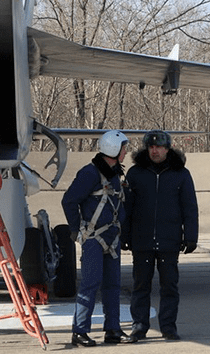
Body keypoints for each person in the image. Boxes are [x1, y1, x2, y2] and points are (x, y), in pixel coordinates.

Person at [61, 131, 137, 347]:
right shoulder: (89, 174)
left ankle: (112, 329)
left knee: (113, 285)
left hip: (112, 238)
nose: (125, 152)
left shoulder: (115, 174)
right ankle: (79, 331)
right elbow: (69, 201)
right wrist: (76, 229)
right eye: (123, 148)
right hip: (94, 238)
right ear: (114, 149)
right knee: (90, 284)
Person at [122, 130, 199, 342]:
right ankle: (139, 326)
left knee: (169, 287)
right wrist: (124, 234)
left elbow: (189, 207)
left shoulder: (181, 174)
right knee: (140, 286)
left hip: (169, 240)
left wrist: (191, 236)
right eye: (151, 147)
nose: (155, 151)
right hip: (142, 240)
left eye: (159, 147)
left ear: (168, 148)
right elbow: (126, 207)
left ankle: (168, 327)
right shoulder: (135, 173)